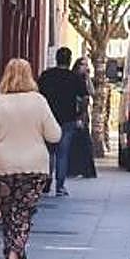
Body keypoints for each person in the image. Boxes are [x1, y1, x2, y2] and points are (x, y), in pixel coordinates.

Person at [0, 58, 61, 259]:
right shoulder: (39, 102)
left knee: (9, 215)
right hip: (34, 168)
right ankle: (14, 258)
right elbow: (54, 135)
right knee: (23, 215)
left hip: (3, 168)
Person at [38, 47, 88, 197]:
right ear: (70, 60)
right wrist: (81, 115)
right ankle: (60, 186)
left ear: (57, 59)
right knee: (62, 153)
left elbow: (38, 94)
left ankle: (46, 184)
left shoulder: (46, 76)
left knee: (49, 152)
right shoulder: (75, 78)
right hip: (68, 119)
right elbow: (84, 97)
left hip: (48, 118)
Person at [67, 57, 99, 179]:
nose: (85, 67)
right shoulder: (72, 78)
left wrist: (88, 78)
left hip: (84, 114)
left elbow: (92, 92)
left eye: (87, 65)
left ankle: (85, 169)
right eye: (83, 65)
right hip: (75, 113)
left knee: (84, 142)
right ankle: (73, 169)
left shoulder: (85, 79)